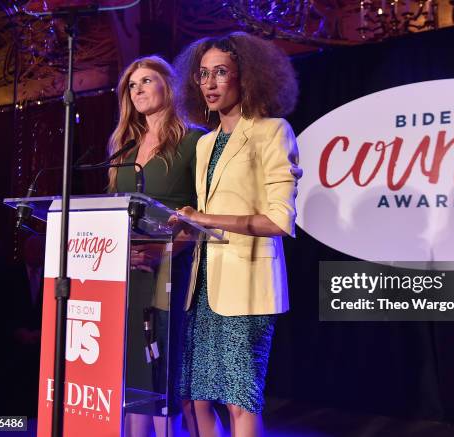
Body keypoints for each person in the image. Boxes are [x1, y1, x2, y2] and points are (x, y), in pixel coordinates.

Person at [172, 32, 302, 437]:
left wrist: (207, 218)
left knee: (238, 400)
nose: (209, 83)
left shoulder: (272, 131)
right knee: (195, 399)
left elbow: (279, 220)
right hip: (205, 285)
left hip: (247, 288)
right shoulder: (205, 144)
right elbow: (202, 218)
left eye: (221, 72)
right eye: (203, 74)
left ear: (246, 76)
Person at [108, 55, 204, 437]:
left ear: (170, 85)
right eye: (132, 85)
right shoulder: (122, 151)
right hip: (129, 275)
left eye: (147, 81)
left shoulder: (195, 141)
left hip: (173, 272)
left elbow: (205, 211)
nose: (138, 90)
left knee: (164, 374)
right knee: (133, 372)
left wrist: (165, 249)